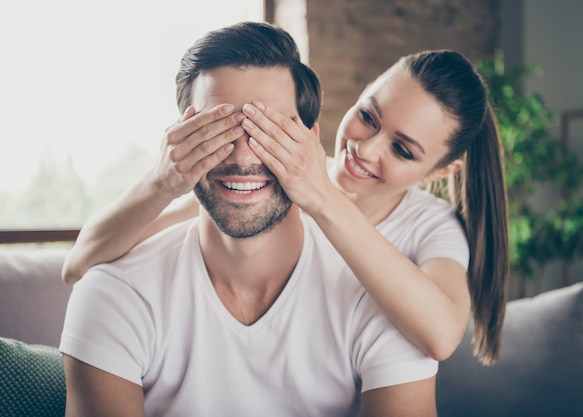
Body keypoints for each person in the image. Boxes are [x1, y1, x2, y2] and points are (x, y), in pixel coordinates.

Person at [60, 21, 439, 416]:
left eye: (267, 131)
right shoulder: (117, 293)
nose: (242, 159)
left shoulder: (382, 300)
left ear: (310, 142)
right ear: (180, 140)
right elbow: (79, 263)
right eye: (216, 130)